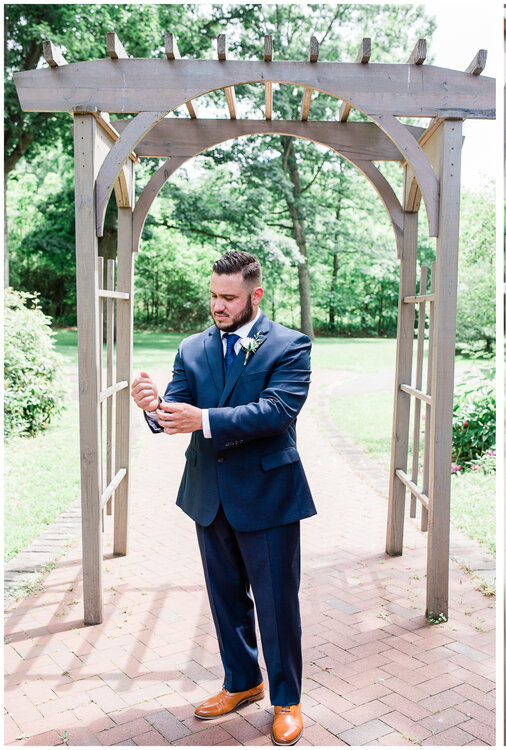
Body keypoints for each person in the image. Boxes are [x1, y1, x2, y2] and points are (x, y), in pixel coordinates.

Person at [130, 251, 315, 746]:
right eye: (213, 295)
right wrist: (154, 408)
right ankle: (242, 682)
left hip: (268, 494)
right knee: (225, 598)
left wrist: (204, 420)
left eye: (228, 297)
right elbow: (175, 407)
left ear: (255, 295)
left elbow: (277, 411)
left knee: (276, 604)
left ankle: (287, 700)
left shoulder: (290, 345)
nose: (218, 305)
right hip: (207, 494)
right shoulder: (191, 348)